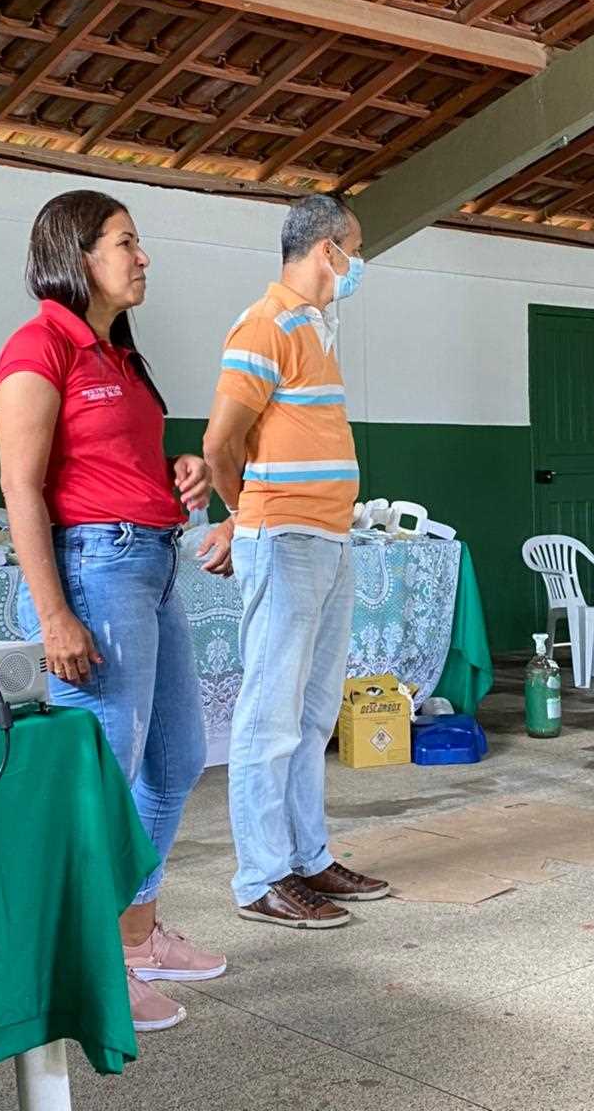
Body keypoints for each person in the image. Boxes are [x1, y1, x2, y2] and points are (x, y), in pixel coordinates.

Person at [0, 190, 225, 1032]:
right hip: (93, 572)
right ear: (76, 252)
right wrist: (55, 614)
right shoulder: (40, 344)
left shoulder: (119, 354)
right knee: (105, 780)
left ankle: (134, 934)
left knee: (175, 761)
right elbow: (20, 485)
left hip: (151, 563)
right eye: (126, 242)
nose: (142, 256)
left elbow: (114, 462)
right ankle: (89, 960)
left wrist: (182, 472)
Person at [200, 193, 389, 928]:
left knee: (312, 716)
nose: (357, 264)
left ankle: (308, 857)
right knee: (269, 717)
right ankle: (261, 878)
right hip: (284, 540)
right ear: (326, 250)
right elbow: (222, 443)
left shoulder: (316, 328)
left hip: (330, 540)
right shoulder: (267, 323)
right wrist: (245, 513)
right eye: (355, 249)